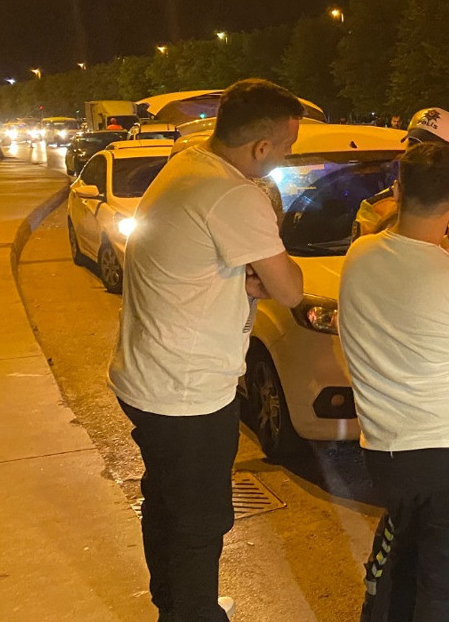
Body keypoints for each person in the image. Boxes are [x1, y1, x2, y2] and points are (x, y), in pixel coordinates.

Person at [109, 79, 306, 621]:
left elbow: (203, 265)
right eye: (286, 146)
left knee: (166, 502)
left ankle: (172, 605)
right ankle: (192, 612)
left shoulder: (188, 164)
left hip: (146, 375)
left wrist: (244, 277)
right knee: (199, 522)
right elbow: (290, 289)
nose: (285, 156)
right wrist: (263, 275)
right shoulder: (235, 195)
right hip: (187, 393)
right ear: (261, 146)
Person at [339, 140, 449, 622]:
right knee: (442, 585)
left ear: (398, 192)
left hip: (386, 451)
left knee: (402, 559)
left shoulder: (358, 254)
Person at [353, 107, 449, 238]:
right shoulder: (376, 209)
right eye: (413, 143)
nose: (418, 152)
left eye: (430, 149)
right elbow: (365, 250)